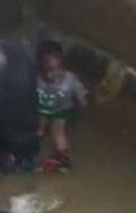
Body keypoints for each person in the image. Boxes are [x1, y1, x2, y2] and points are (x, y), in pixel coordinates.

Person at [36, 39, 87, 172]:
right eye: (45, 71)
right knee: (38, 127)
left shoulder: (71, 80)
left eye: (53, 70)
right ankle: (30, 147)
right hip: (42, 108)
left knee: (57, 129)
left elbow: (81, 97)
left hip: (62, 110)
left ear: (61, 64)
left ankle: (63, 158)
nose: (49, 75)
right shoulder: (36, 78)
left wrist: (80, 105)